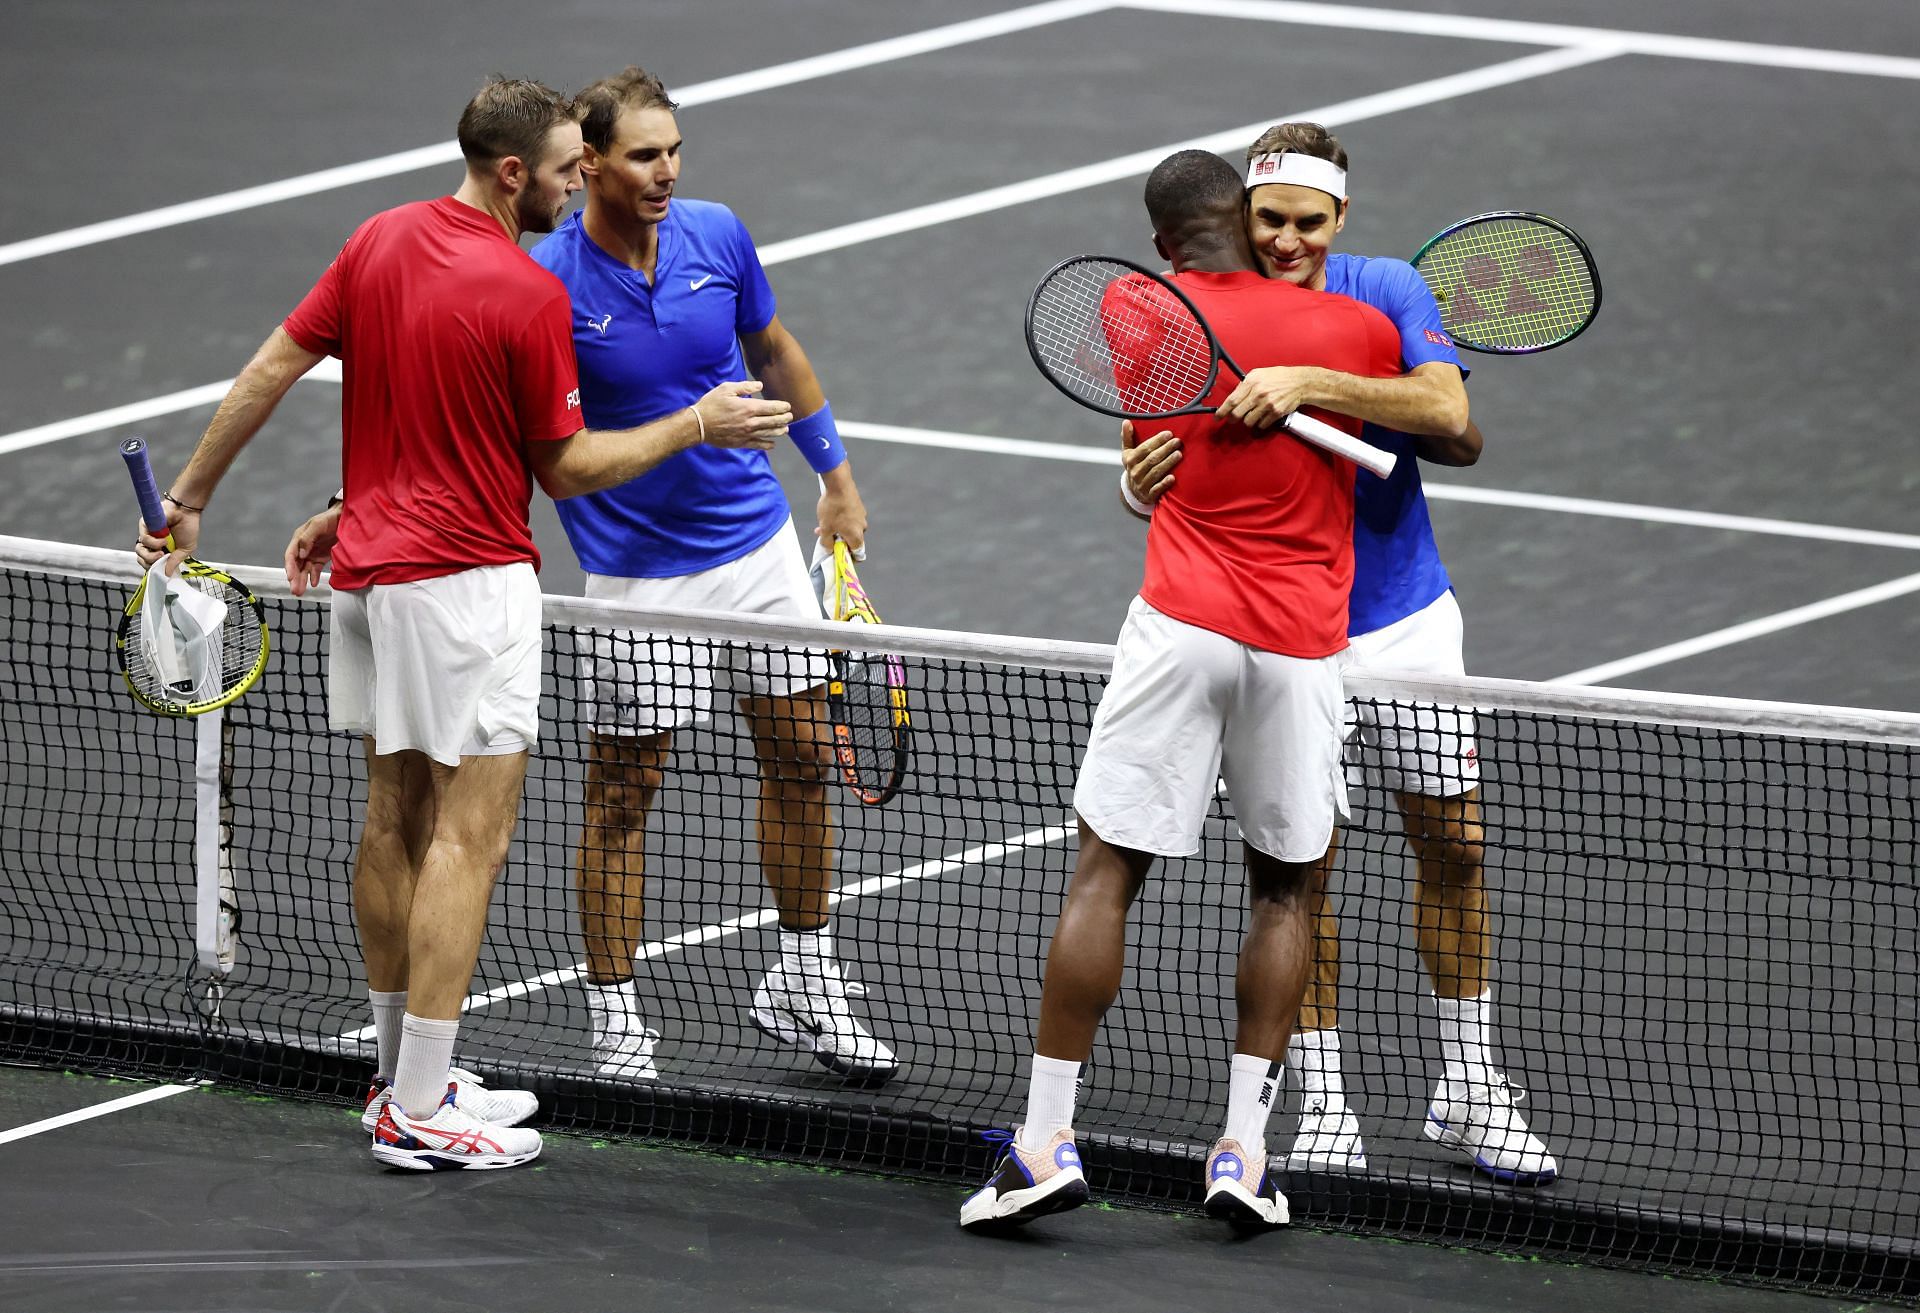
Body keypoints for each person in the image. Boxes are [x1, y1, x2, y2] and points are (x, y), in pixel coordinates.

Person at [160, 75, 792, 1172]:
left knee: (393, 812)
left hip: (366, 576)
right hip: (466, 587)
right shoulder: (524, 292)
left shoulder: (377, 241)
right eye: (562, 170)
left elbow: (276, 366)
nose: (574, 184)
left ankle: (408, 1072)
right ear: (515, 173)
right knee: (469, 832)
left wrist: (191, 496)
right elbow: (566, 465)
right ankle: (418, 1108)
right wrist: (694, 422)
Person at [960, 149, 1405, 1232]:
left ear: (1165, 244)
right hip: (1299, 642)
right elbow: (1439, 414)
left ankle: (1043, 1140)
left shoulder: (1131, 306)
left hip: (1179, 626)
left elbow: (1152, 435)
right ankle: (1245, 1153)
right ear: (1250, 223)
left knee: (1104, 874)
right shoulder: (1355, 331)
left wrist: (1145, 469)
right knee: (1289, 891)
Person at [1119, 122, 1558, 1185]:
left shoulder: (1388, 288)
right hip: (1284, 629)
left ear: (1341, 220)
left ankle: (1470, 1084)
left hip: (1403, 615)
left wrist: (1312, 380)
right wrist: (1136, 480)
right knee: (1298, 864)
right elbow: (1143, 447)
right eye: (1268, 221)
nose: (1285, 242)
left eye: (1307, 224)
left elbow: (1452, 416)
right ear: (1241, 214)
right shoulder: (1202, 298)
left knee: (1454, 843)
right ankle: (1321, 1097)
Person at [524, 68, 893, 1084]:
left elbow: (773, 349)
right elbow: (543, 447)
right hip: (639, 579)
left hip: (758, 550)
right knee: (622, 796)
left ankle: (804, 976)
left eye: (674, 151)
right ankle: (614, 1013)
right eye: (643, 155)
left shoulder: (717, 234)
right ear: (588, 162)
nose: (666, 172)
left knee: (804, 762)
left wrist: (836, 477)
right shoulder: (546, 282)